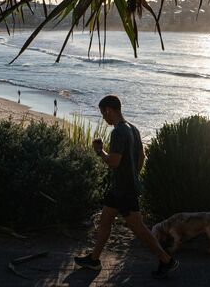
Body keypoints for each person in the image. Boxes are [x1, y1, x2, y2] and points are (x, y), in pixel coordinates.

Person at [74, 95, 179, 279]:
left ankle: (167, 260)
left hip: (124, 190)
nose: (103, 117)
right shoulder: (133, 129)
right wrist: (133, 175)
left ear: (109, 110)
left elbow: (114, 162)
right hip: (121, 187)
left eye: (102, 113)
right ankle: (94, 259)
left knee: (138, 228)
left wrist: (100, 152)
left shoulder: (118, 132)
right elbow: (141, 158)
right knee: (106, 220)